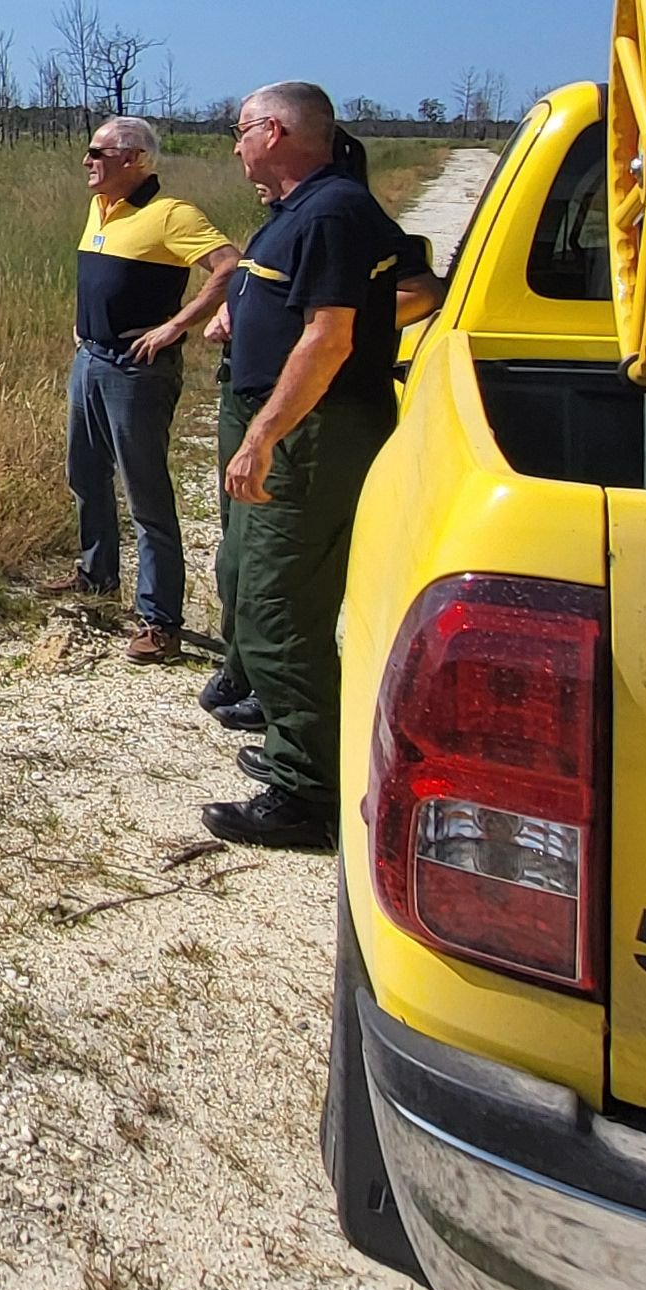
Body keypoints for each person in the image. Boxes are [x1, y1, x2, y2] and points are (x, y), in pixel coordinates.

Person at [199, 81, 413, 850]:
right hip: (301, 426)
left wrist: (263, 435)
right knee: (275, 590)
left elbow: (330, 337)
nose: (234, 145)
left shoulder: (329, 212)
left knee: (277, 603)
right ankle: (311, 749)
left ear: (280, 130)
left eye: (243, 129)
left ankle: (308, 792)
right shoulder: (304, 211)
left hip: (313, 433)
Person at [65, 116, 238, 662]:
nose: (88, 161)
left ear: (134, 159)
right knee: (86, 475)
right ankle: (96, 578)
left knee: (145, 494)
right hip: (90, 360)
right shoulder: (100, 208)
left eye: (98, 152)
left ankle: (160, 620)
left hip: (137, 371)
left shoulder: (171, 215)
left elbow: (229, 265)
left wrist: (176, 325)